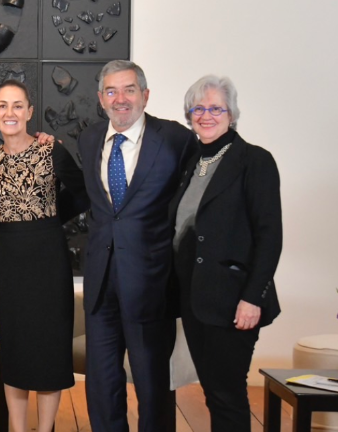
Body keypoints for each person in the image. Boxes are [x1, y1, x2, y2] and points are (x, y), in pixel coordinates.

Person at [75, 60, 197, 432]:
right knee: (101, 383)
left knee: (151, 384)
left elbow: (193, 202)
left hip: (151, 282)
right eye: (111, 91)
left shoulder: (176, 139)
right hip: (100, 283)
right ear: (100, 98)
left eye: (129, 89)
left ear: (145, 95)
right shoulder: (90, 138)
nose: (120, 98)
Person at [169, 75, 281, 432]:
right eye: (198, 108)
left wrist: (253, 298)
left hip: (235, 301)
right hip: (197, 299)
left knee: (227, 394)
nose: (206, 115)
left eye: (216, 108)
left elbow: (270, 236)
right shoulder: (192, 162)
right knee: (214, 393)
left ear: (231, 113)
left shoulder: (254, 161)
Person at [0, 80, 88, 432]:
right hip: (9, 263)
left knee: (49, 348)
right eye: (2, 105)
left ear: (29, 112)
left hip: (47, 261)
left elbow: (84, 194)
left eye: (17, 106)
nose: (9, 112)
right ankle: (17, 428)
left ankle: (45, 430)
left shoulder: (51, 151)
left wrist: (52, 218)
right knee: (13, 350)